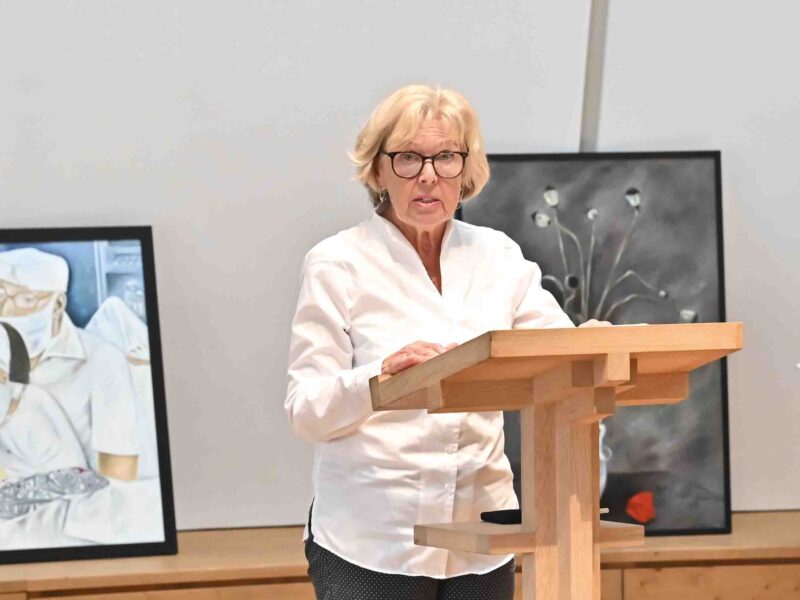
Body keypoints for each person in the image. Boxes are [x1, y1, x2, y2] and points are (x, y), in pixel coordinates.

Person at [284, 85, 610, 599]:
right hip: (373, 540)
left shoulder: (498, 256)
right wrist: (378, 380)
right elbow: (306, 411)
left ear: (466, 169)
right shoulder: (337, 263)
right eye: (408, 158)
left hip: (480, 536)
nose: (428, 175)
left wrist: (597, 346)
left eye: (446, 158)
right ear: (378, 171)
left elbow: (557, 353)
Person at [0, 248, 140, 481]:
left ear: (57, 305)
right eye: (0, 295)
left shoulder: (103, 361)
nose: (6, 310)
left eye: (26, 299)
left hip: (78, 499)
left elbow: (120, 476)